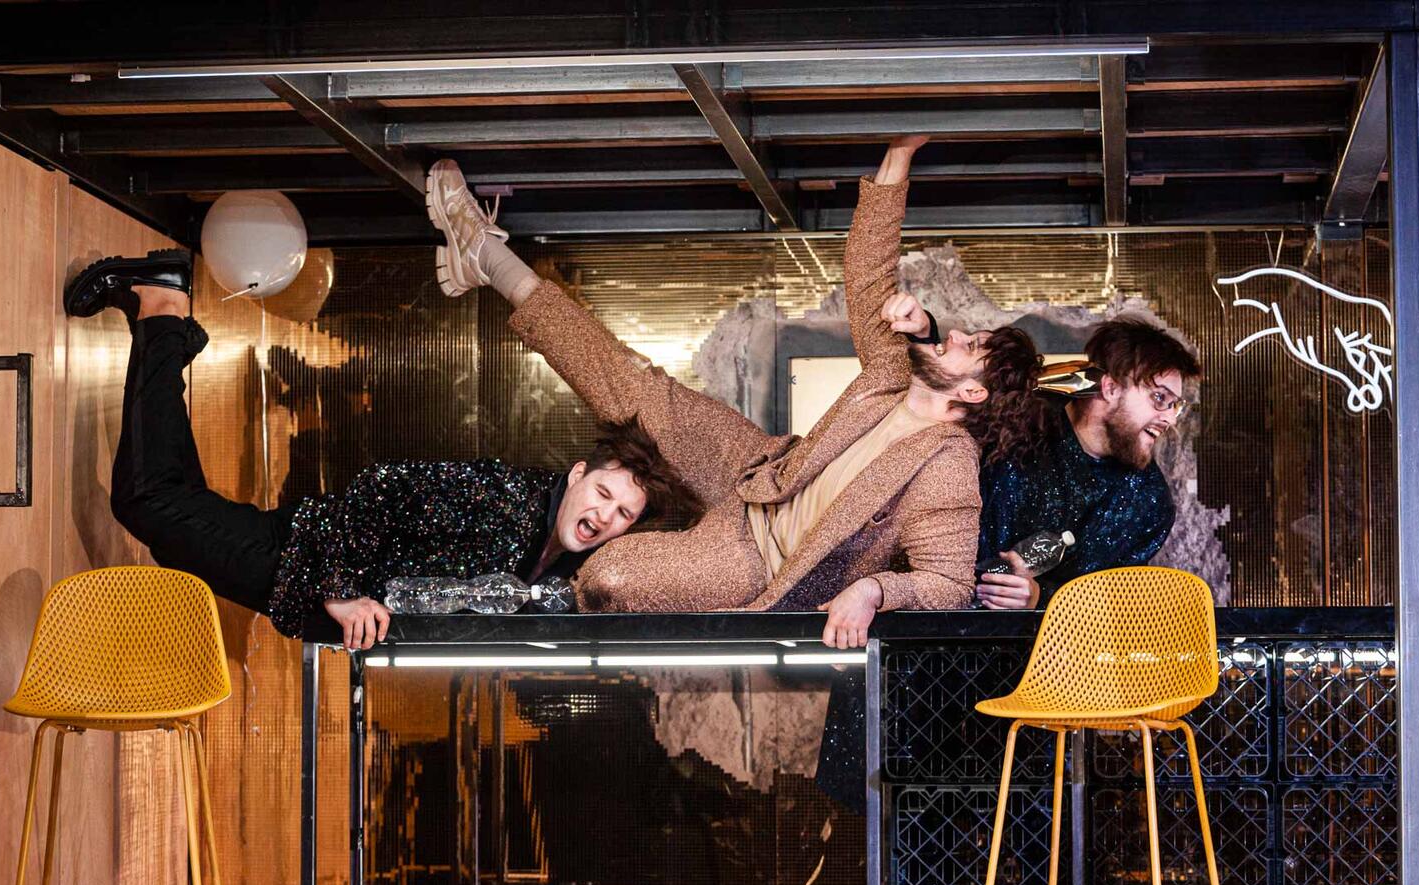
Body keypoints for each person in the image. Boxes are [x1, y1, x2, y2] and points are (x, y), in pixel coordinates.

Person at [424, 136, 1032, 648]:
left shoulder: (947, 466)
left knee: (612, 579)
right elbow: (868, 272)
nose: (955, 335)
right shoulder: (894, 370)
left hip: (758, 557)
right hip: (761, 469)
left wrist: (873, 589)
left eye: (971, 346)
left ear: (973, 394)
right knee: (637, 388)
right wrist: (899, 152)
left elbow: (948, 584)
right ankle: (485, 255)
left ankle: (504, 589)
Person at [63, 250, 697, 649]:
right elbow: (384, 487)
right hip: (306, 559)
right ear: (579, 474)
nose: (604, 515)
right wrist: (340, 587)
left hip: (318, 593)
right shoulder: (509, 499)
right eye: (604, 493)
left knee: (175, 513)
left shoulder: (560, 570)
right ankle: (162, 308)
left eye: (623, 514)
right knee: (148, 501)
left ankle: (164, 320)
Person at [970, 318, 1202, 609]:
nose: (1169, 419)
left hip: (1061, 639)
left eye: (1174, 406)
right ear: (1110, 388)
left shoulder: (1149, 502)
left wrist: (1041, 598)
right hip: (944, 623)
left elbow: (1117, 608)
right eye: (1159, 398)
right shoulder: (1014, 427)